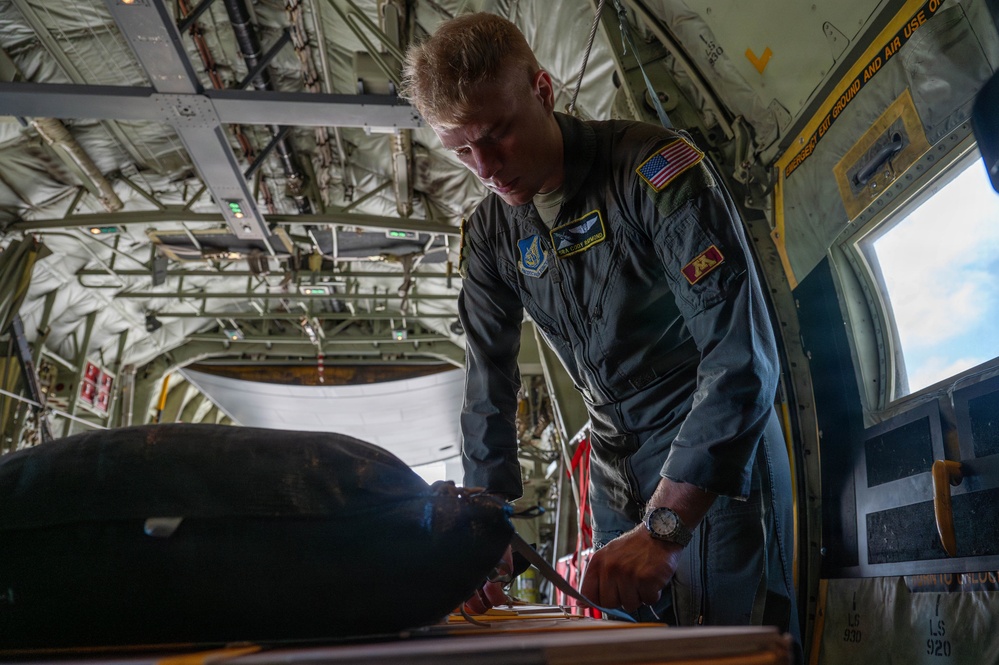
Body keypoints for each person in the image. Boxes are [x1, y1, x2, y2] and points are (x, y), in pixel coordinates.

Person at [400, 11, 800, 645]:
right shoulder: (490, 235)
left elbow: (741, 357)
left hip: (707, 448)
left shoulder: (655, 170)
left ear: (543, 89)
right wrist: (485, 527)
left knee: (728, 645)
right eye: (462, 149)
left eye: (498, 134)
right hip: (613, 464)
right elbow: (488, 391)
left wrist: (667, 526)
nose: (486, 166)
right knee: (625, 647)